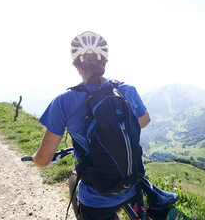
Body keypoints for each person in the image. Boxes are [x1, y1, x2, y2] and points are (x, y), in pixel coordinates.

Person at [33, 31, 151, 220]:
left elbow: (43, 160)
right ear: (105, 62)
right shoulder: (127, 90)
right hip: (133, 185)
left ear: (75, 64)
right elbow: (145, 120)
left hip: (96, 200)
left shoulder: (64, 102)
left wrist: (35, 158)